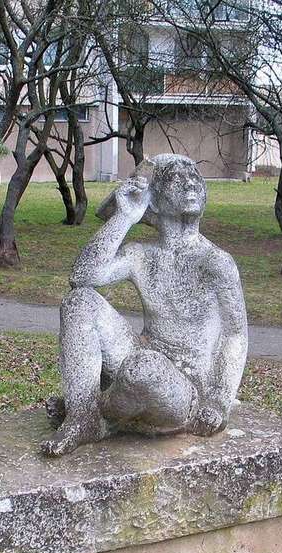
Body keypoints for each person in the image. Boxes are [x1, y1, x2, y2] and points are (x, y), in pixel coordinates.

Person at [41, 154, 248, 456]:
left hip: (185, 387)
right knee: (79, 302)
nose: (191, 182)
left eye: (195, 176)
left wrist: (219, 401)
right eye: (176, 177)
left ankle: (103, 412)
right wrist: (123, 217)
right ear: (155, 201)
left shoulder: (216, 262)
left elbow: (235, 334)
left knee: (142, 370)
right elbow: (82, 277)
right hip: (140, 352)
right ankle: (82, 415)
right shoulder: (140, 254)